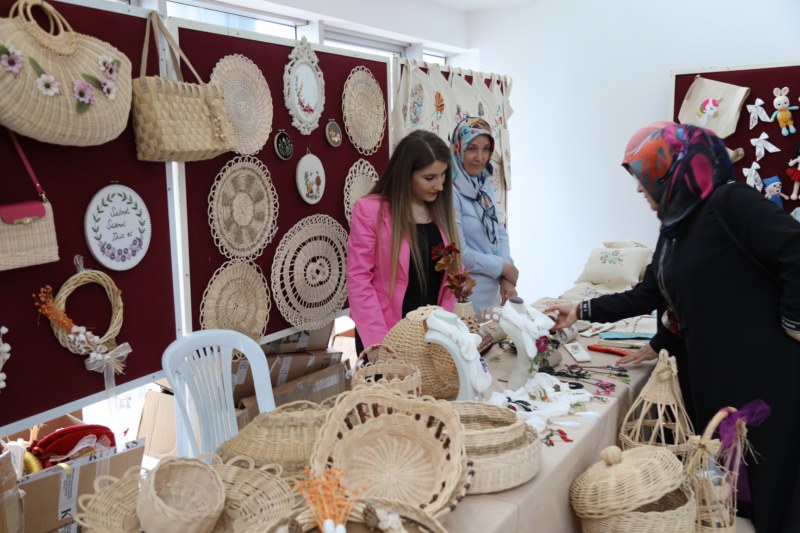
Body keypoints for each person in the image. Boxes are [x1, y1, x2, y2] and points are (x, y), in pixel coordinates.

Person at [546, 122, 800, 532]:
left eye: (643, 176)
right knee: (732, 486)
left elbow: (795, 248)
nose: (638, 189)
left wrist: (794, 321)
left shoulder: (729, 202)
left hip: (762, 375)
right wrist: (582, 309)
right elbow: (655, 293)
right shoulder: (676, 227)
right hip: (714, 375)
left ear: (672, 171)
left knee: (770, 481)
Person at [347, 130, 459, 353]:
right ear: (405, 174)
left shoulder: (440, 211)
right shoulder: (370, 211)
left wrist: (446, 330)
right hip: (386, 334)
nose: (440, 185)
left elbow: (453, 278)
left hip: (433, 337)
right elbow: (359, 281)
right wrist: (379, 343)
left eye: (443, 175)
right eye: (429, 178)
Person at [451, 117, 517, 315]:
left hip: (495, 296)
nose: (480, 157)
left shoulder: (484, 183)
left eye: (486, 149)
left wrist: (506, 276)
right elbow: (461, 254)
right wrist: (504, 269)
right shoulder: (450, 192)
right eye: (471, 148)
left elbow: (500, 232)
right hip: (468, 299)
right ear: (458, 148)